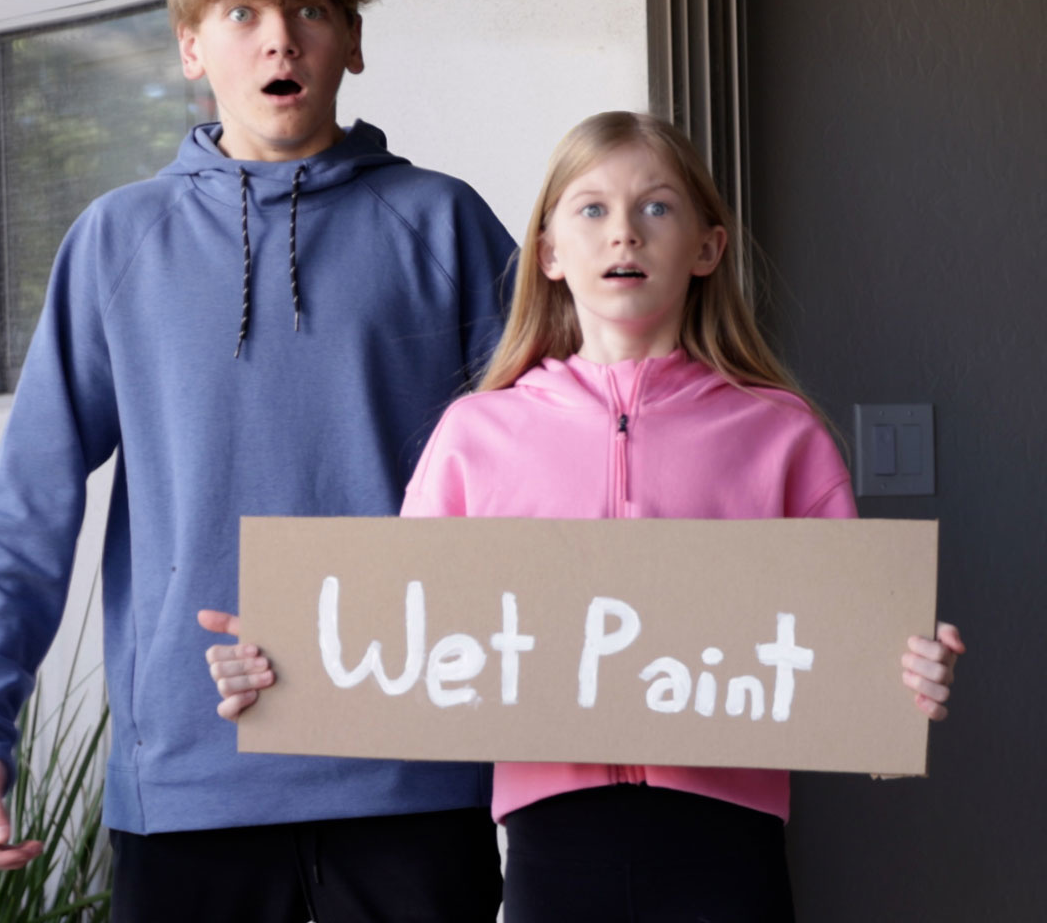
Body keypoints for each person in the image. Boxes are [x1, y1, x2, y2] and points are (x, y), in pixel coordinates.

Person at [208, 111, 964, 921]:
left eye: (657, 207)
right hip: (552, 847)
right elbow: (402, 633)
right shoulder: (475, 436)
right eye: (593, 209)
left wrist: (904, 677)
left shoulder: (781, 434)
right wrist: (291, 661)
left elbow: (848, 650)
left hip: (730, 846)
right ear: (550, 254)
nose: (624, 232)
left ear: (708, 248)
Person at [0, 0, 513, 923]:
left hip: (412, 765)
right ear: (191, 48)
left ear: (353, 40)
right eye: (242, 12)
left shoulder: (444, 225)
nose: (281, 39)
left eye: (313, 9)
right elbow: (29, 505)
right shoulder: (116, 244)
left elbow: (556, 466)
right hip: (189, 777)